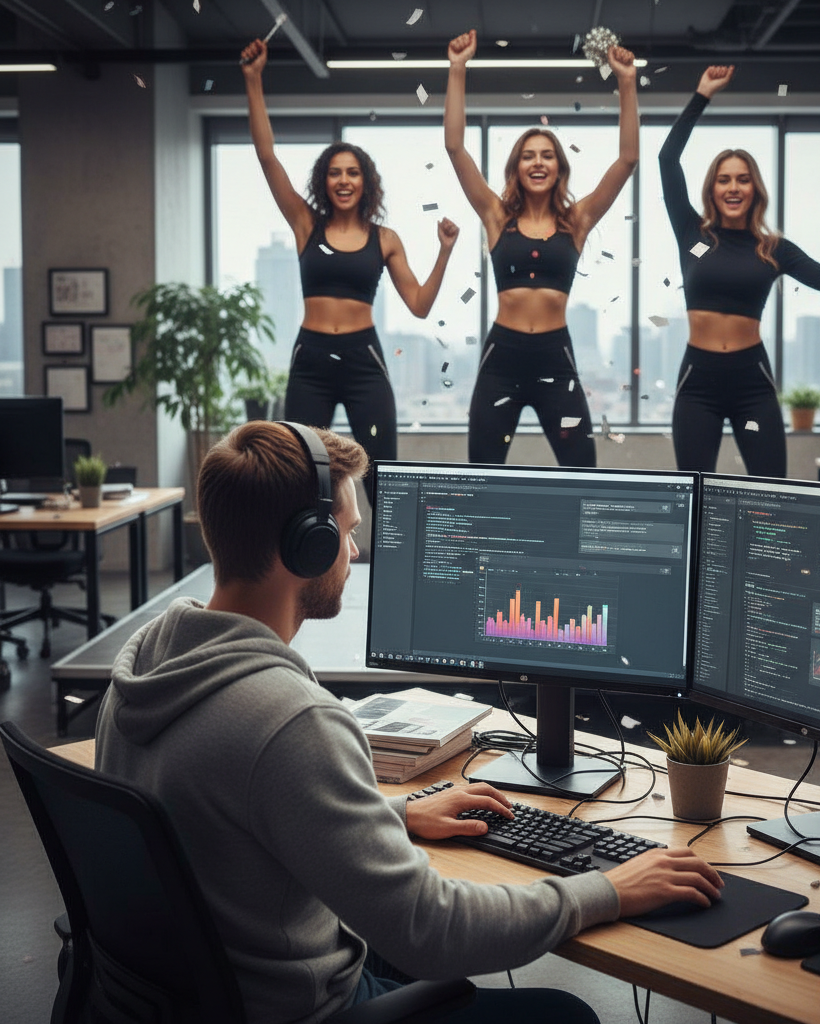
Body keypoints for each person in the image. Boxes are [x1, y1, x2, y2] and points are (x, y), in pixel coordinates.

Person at [95, 420, 724, 1024]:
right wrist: (609, 888)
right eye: (345, 532)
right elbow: (433, 931)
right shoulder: (290, 721)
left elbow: (232, 821)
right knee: (567, 1014)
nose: (355, 549)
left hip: (196, 997)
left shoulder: (149, 663)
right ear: (306, 546)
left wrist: (393, 816)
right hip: (299, 1008)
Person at [241, 39, 460, 486]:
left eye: (353, 172)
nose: (344, 180)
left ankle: (384, 557)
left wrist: (444, 251)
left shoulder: (385, 239)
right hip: (311, 362)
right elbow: (268, 158)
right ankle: (311, 557)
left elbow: (419, 304)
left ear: (366, 182)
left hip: (364, 362)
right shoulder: (306, 224)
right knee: (299, 476)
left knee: (382, 476)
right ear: (325, 181)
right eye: (335, 172)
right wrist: (253, 80)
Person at [660, 65, 820, 478]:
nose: (733, 188)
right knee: (693, 492)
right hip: (699, 386)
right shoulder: (691, 233)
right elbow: (667, 158)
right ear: (712, 188)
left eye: (742, 180)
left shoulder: (773, 249)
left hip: (752, 386)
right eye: (724, 180)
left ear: (755, 189)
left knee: (769, 493)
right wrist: (702, 95)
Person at [444, 29, 638, 466]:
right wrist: (457, 69)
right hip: (502, 359)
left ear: (558, 167)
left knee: (582, 472)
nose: (537, 162)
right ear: (516, 167)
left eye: (547, 155)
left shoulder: (577, 220)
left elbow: (627, 160)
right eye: (528, 155)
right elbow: (455, 147)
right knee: (483, 476)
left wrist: (626, 81)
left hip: (555, 356)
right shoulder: (497, 217)